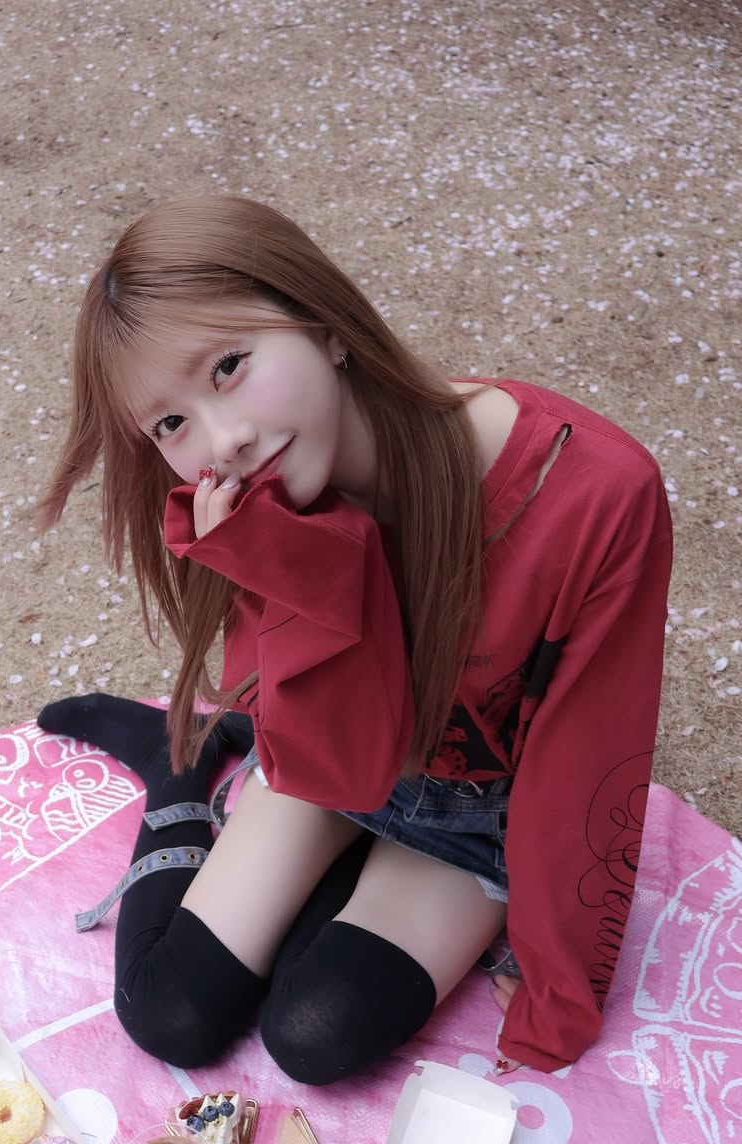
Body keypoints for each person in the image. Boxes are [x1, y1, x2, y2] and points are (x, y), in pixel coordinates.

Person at [35, 195, 672, 1082]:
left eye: (228, 366)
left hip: (479, 808)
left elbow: (584, 759)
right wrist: (276, 559)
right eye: (170, 424)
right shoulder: (255, 503)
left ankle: (306, 852)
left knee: (314, 1031)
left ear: (324, 322)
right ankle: (179, 766)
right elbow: (315, 741)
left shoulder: (593, 493)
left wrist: (560, 994)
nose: (225, 441)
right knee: (171, 1011)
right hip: (331, 761)